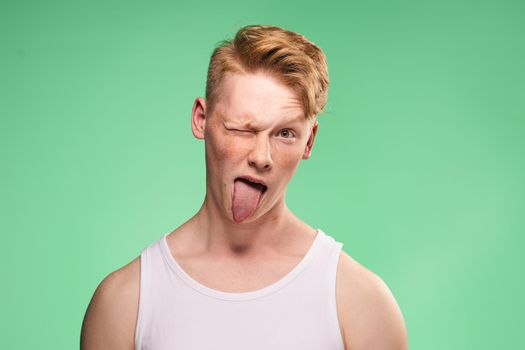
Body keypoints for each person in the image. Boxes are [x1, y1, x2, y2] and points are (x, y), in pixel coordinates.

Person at [80, 24, 408, 350]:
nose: (261, 157)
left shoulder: (360, 302)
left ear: (309, 142)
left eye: (285, 134)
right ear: (200, 119)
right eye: (242, 129)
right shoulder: (125, 302)